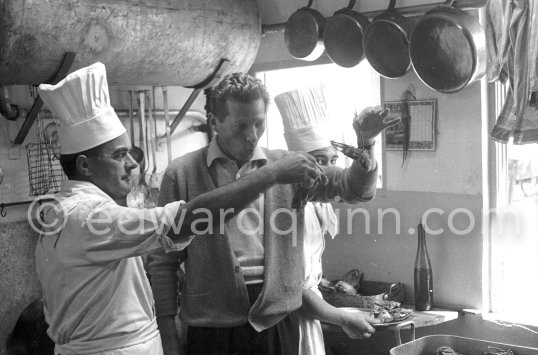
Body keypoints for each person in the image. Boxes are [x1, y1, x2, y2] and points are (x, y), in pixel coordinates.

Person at [34, 63, 323, 355]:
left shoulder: (62, 211)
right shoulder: (89, 217)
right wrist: (270, 175)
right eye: (119, 155)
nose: (133, 164)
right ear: (84, 165)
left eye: (130, 153)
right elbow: (183, 223)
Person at [148, 72, 400, 355]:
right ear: (215, 121)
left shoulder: (288, 166)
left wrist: (365, 146)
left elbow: (354, 188)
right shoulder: (182, 173)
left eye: (258, 123)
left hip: (279, 320)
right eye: (240, 125)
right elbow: (163, 261)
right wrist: (168, 333)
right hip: (212, 327)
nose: (251, 135)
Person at [274, 85, 388, 355]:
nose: (327, 170)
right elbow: (294, 289)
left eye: (333, 160)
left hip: (309, 317)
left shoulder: (316, 203)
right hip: (284, 323)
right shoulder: (282, 207)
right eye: (318, 161)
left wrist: (366, 145)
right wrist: (340, 317)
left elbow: (359, 190)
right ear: (296, 162)